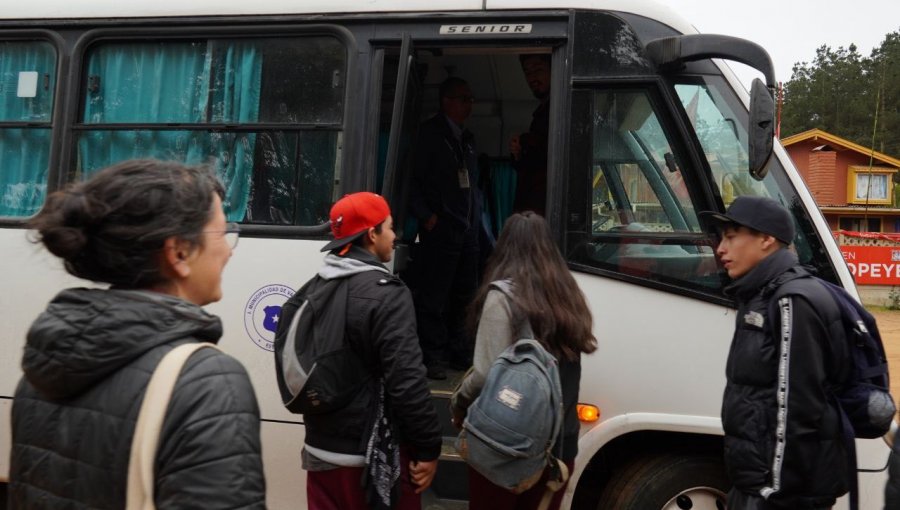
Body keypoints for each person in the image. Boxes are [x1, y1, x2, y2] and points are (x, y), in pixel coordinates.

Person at [8, 159, 265, 509]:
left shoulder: (43, 364)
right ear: (178, 253)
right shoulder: (206, 380)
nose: (229, 250)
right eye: (222, 234)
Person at [701, 196, 851, 510]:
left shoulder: (791, 300)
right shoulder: (759, 295)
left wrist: (776, 494)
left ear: (767, 240)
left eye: (731, 236)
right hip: (759, 483)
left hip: (780, 493)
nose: (720, 249)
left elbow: (797, 407)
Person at [302, 192, 442, 510]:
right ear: (371, 234)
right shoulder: (388, 295)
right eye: (390, 227)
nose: (395, 236)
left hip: (319, 452)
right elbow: (407, 382)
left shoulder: (313, 288)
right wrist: (428, 448)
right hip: (367, 462)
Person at [449, 211, 597, 510]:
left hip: (508, 446)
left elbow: (483, 375)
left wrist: (459, 404)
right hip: (560, 445)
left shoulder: (502, 297)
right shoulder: (569, 294)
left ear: (504, 247)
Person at [409, 76, 481, 379]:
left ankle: (458, 353)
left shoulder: (467, 139)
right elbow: (411, 180)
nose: (469, 105)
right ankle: (433, 357)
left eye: (470, 99)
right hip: (440, 228)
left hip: (466, 230)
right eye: (463, 98)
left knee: (465, 296)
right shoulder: (429, 135)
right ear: (446, 102)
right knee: (434, 297)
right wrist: (427, 216)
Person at [509, 53, 551, 216]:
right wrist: (519, 153)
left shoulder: (558, 110)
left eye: (538, 69)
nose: (532, 77)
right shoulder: (542, 113)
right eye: (527, 72)